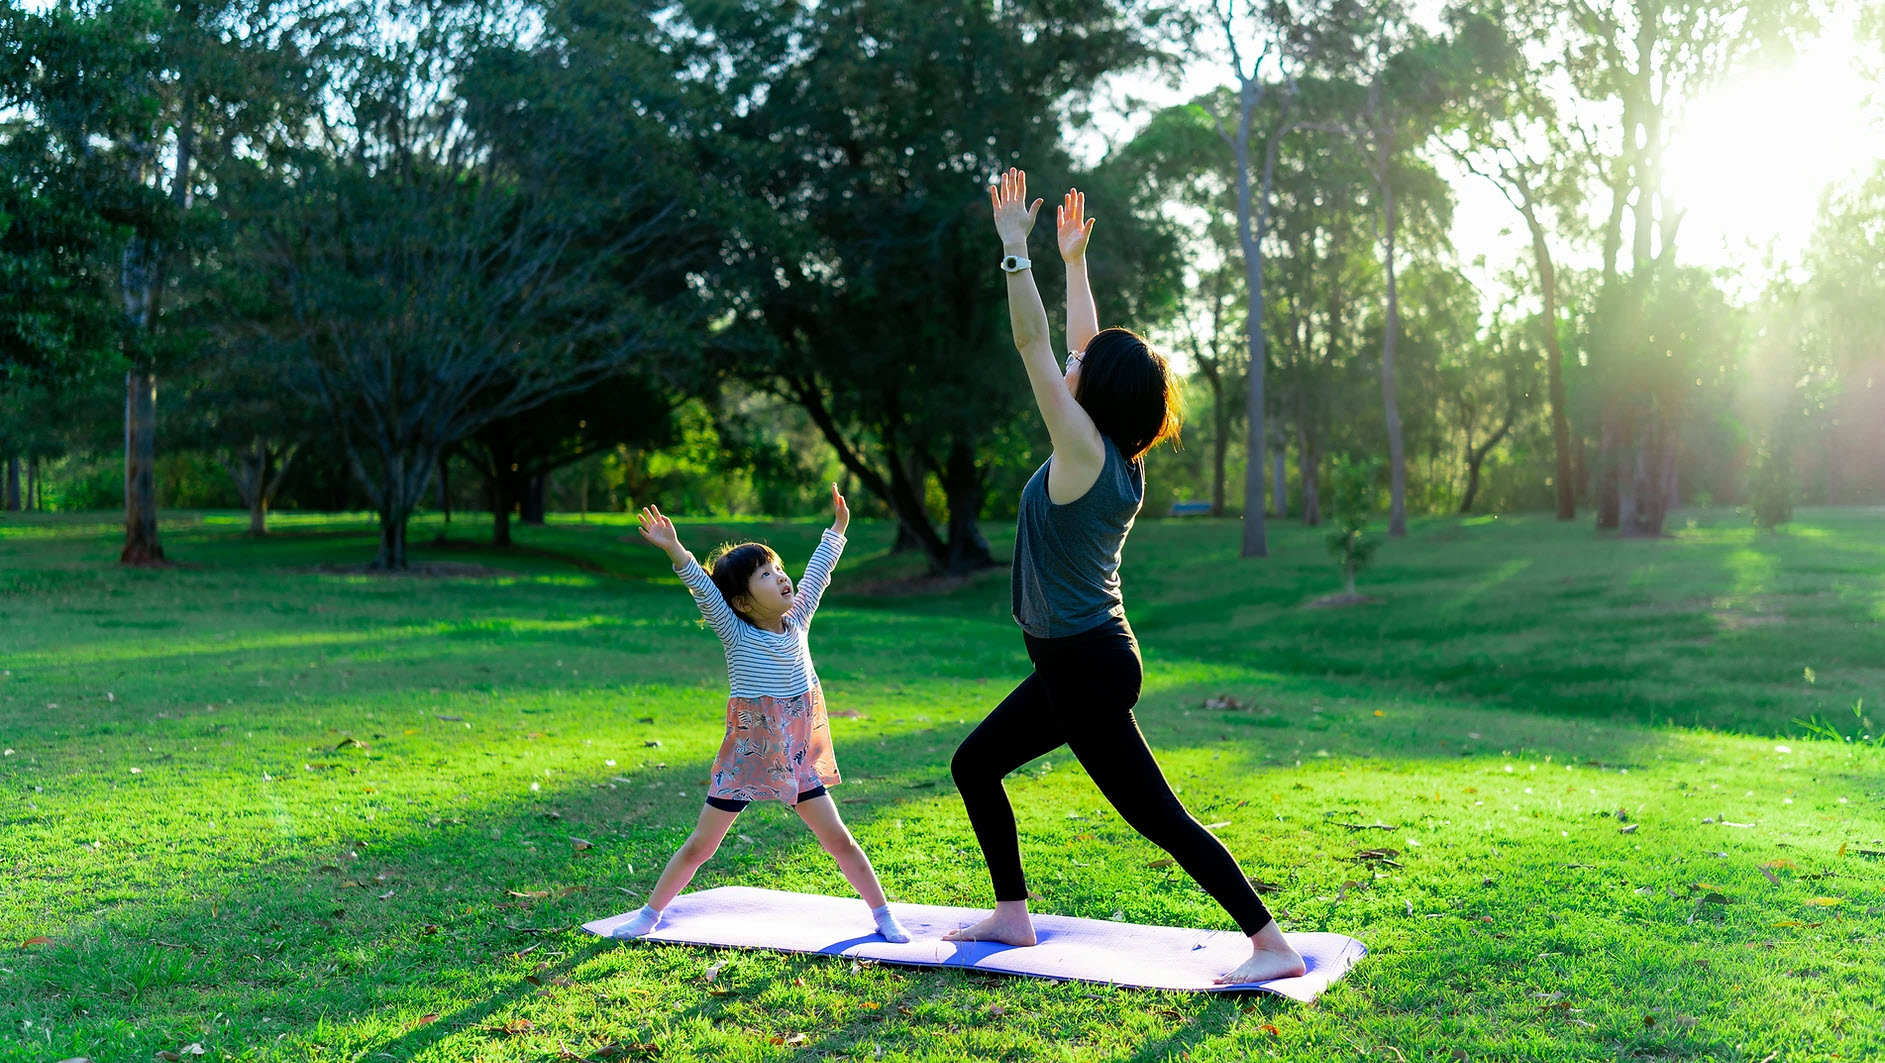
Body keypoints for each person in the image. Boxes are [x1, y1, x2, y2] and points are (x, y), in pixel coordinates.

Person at [944, 169, 1306, 984]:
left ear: (1094, 397)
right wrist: (1072, 263)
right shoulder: (1114, 453)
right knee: (975, 765)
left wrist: (1015, 253)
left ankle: (1269, 944)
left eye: (1085, 368)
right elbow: (1078, 347)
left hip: (1083, 664)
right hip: (1077, 656)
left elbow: (1035, 346)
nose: (1071, 366)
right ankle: (1011, 915)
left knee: (1158, 816)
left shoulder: (1079, 451)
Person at [612, 487, 909, 944]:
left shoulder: (799, 617)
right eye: (766, 576)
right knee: (701, 846)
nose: (782, 578)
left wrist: (839, 528)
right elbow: (702, 587)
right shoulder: (734, 631)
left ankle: (884, 916)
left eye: (778, 570)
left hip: (795, 757)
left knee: (840, 841)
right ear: (743, 602)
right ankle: (649, 915)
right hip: (748, 756)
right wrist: (674, 549)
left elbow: (819, 572)